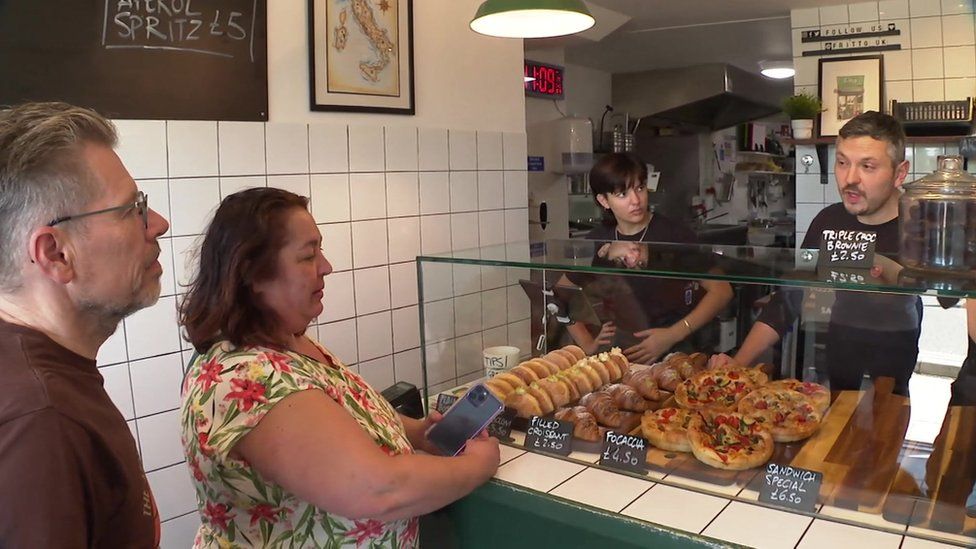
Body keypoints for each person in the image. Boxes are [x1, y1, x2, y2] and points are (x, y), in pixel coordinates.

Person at [178, 187, 500, 548]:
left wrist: (416, 432)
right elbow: (378, 489)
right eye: (307, 256)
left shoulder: (290, 343)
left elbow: (341, 415)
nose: (326, 267)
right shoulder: (246, 379)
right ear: (252, 273)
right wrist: (476, 467)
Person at [0, 102, 168, 546]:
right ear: (56, 254)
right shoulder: (40, 424)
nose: (158, 224)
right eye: (133, 209)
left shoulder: (39, 378)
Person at [713, 111, 922, 396]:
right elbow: (789, 298)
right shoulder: (828, 221)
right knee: (839, 432)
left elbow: (950, 298)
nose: (850, 179)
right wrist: (738, 363)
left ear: (900, 173)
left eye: (868, 167)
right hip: (840, 348)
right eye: (842, 162)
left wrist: (891, 270)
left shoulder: (921, 224)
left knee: (885, 431)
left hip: (894, 353)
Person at [563, 152, 733, 364]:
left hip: (674, 353)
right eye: (622, 194)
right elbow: (560, 294)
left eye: (640, 188)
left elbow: (722, 291)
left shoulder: (673, 235)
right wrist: (587, 343)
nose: (636, 200)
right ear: (603, 200)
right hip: (617, 357)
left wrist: (672, 335)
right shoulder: (597, 239)